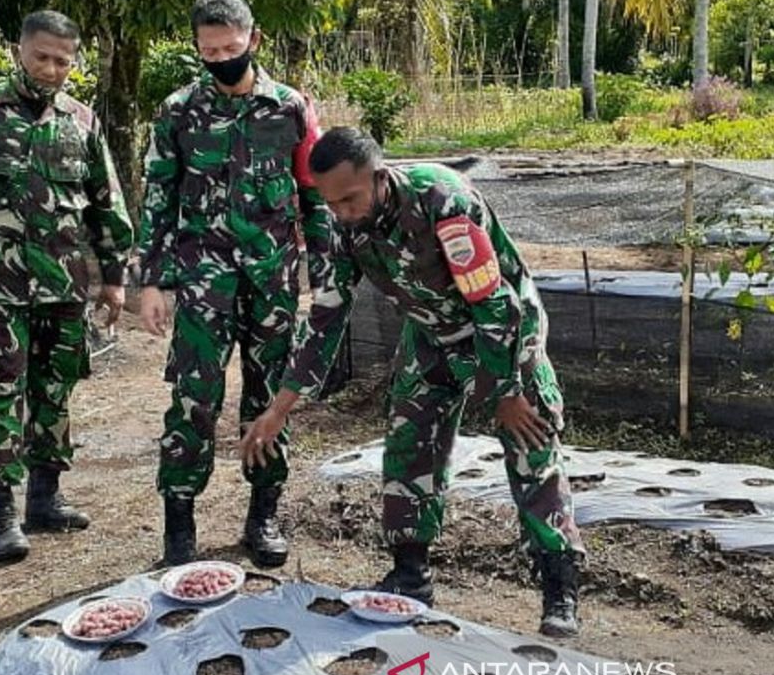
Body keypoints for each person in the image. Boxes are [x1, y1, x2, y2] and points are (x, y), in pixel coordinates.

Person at [240, 127, 585, 637]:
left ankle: (560, 588)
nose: (341, 212)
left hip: (504, 332)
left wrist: (505, 393)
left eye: (350, 198)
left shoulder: (443, 201)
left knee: (529, 444)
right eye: (329, 202)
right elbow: (327, 316)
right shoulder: (340, 224)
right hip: (432, 332)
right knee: (408, 440)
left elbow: (495, 306)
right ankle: (410, 574)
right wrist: (279, 409)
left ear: (380, 177)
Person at [0, 10, 134, 561]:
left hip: (64, 285)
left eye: (62, 61)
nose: (51, 69)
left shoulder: (82, 121)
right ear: (19, 49)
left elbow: (105, 204)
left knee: (55, 389)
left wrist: (113, 279)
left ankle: (45, 497)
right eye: (42, 56)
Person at [137, 0, 329, 568]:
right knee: (193, 399)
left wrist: (322, 273)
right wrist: (152, 280)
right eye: (209, 49)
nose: (221, 57)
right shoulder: (177, 112)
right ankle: (179, 525)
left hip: (273, 281)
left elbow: (314, 196)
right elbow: (158, 198)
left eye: (231, 46)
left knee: (268, 398)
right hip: (202, 284)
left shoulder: (291, 109)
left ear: (254, 40)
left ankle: (263, 515)